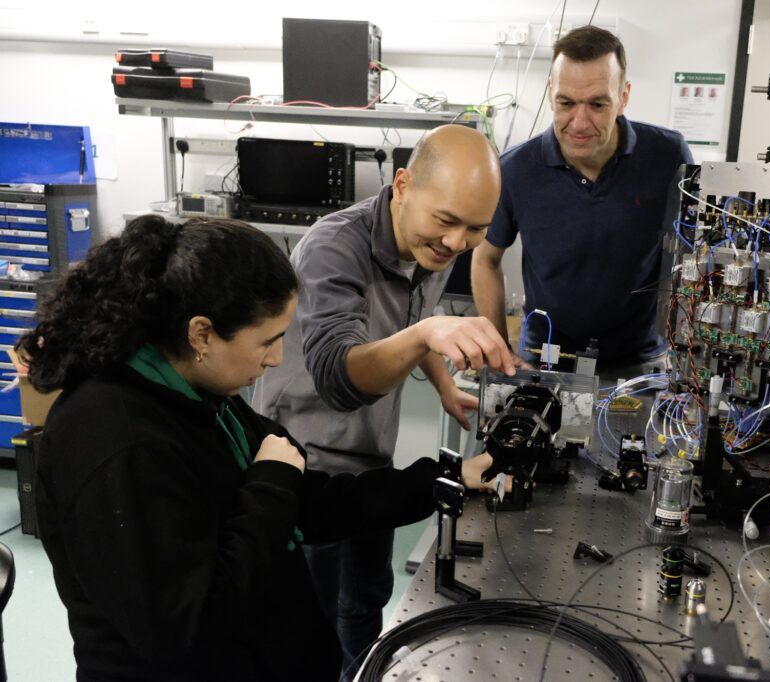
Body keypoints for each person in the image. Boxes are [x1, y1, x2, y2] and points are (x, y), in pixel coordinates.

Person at [25, 215, 496, 681]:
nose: (277, 358)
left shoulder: (201, 394)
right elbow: (189, 630)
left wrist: (442, 480)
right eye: (267, 341)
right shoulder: (116, 443)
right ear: (202, 333)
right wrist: (270, 486)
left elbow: (312, 502)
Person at [253, 124, 515, 678]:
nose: (456, 243)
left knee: (364, 604)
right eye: (446, 221)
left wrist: (443, 383)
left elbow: (413, 319)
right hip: (306, 469)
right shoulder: (333, 250)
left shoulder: (430, 246)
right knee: (312, 629)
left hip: (370, 461)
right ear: (402, 185)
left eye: (476, 229)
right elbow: (338, 378)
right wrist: (427, 335)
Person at [472, 26, 694, 378]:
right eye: (566, 103)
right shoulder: (515, 169)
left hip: (640, 364)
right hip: (543, 360)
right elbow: (485, 258)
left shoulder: (668, 156)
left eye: (597, 104)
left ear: (623, 97)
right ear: (550, 94)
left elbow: (693, 255)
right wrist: (498, 349)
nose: (579, 123)